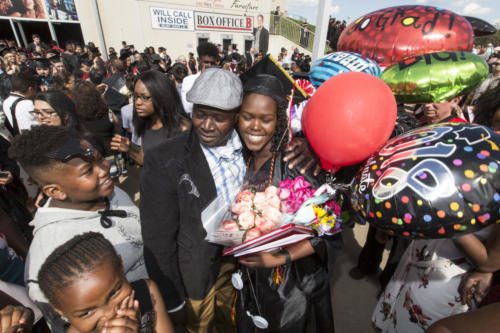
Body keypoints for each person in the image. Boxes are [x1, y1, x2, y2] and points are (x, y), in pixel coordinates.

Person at [140, 68, 321, 333]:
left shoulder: (249, 146)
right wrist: (172, 301)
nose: (207, 125)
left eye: (219, 117)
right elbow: (157, 240)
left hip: (240, 271)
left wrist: (307, 146)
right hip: (195, 278)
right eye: (200, 114)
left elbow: (271, 131)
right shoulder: (164, 159)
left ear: (235, 117)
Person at [8, 126, 183, 332]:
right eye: (87, 171)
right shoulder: (51, 251)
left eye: (99, 158)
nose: (104, 168)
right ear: (55, 190)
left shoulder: (108, 192)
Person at [235, 74, 343, 332]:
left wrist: (281, 256)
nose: (255, 127)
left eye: (266, 119)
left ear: (279, 120)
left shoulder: (296, 166)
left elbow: (329, 231)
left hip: (291, 289)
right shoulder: (239, 159)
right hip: (251, 278)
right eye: (247, 116)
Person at [38, 232, 175, 333]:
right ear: (60, 311)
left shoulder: (147, 292)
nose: (110, 314)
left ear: (121, 266)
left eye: (114, 292)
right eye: (86, 313)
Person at [110, 70, 190, 165]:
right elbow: (144, 160)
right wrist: (129, 149)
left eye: (145, 97)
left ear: (161, 96)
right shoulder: (147, 125)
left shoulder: (183, 128)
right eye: (135, 96)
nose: (137, 102)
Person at [71, 80, 124, 179]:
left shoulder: (77, 116)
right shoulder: (104, 108)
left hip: (94, 155)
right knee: (115, 181)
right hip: (111, 149)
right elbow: (117, 126)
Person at [181, 42, 218, 117]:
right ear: (199, 61)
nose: (209, 66)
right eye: (206, 62)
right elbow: (187, 107)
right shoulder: (189, 80)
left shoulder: (220, 80)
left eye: (212, 63)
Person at [2, 72, 38, 136]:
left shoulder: (6, 101)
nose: (36, 92)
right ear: (30, 89)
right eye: (35, 89)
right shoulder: (27, 104)